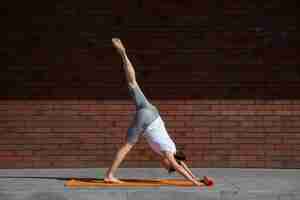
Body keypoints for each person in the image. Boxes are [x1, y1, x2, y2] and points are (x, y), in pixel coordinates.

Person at [104, 38, 211, 187]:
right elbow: (179, 166)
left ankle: (123, 55)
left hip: (152, 111)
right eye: (168, 167)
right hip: (148, 119)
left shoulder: (172, 148)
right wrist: (194, 182)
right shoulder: (168, 151)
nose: (166, 166)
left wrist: (197, 178)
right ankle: (109, 175)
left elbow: (182, 164)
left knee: (132, 83)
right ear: (170, 161)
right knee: (127, 146)